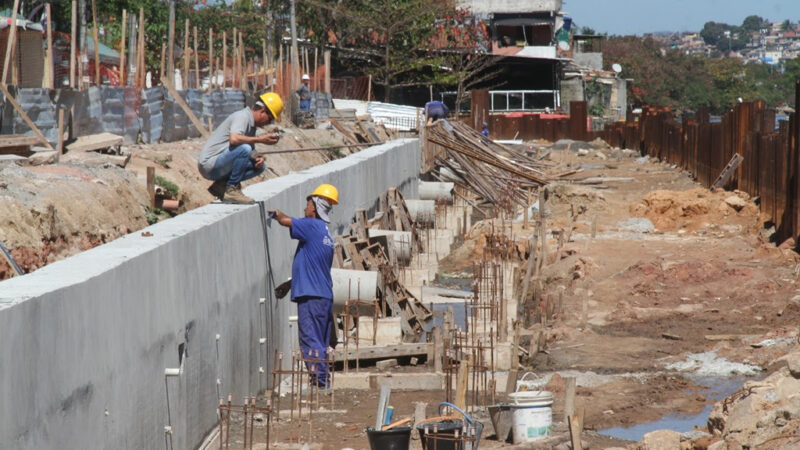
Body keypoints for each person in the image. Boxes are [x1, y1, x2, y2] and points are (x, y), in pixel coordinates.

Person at [269, 184, 338, 388]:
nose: (305, 209)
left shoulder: (311, 226)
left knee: (310, 340)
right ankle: (322, 381)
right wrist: (291, 284)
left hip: (311, 297)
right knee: (320, 342)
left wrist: (276, 214)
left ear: (315, 207)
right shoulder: (325, 234)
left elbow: (285, 221)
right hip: (322, 296)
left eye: (308, 205)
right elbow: (312, 266)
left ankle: (320, 383)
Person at [197, 92, 283, 204]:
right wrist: (260, 139)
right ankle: (232, 189)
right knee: (245, 149)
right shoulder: (243, 117)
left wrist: (259, 158)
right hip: (209, 165)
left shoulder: (251, 125)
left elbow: (249, 151)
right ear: (262, 112)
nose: (268, 123)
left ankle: (221, 186)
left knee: (260, 167)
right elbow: (234, 140)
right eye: (269, 119)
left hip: (220, 165)